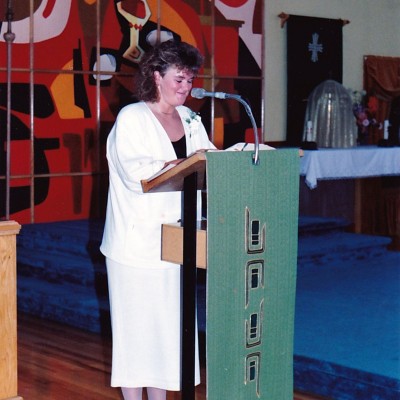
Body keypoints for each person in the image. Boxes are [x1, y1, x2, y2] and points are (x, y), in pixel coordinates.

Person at [100, 40, 215, 400]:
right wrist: (179, 165)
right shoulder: (132, 117)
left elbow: (209, 162)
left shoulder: (191, 119)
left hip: (176, 244)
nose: (186, 87)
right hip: (135, 247)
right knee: (136, 336)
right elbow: (136, 174)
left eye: (190, 79)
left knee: (168, 335)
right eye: (179, 79)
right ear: (155, 76)